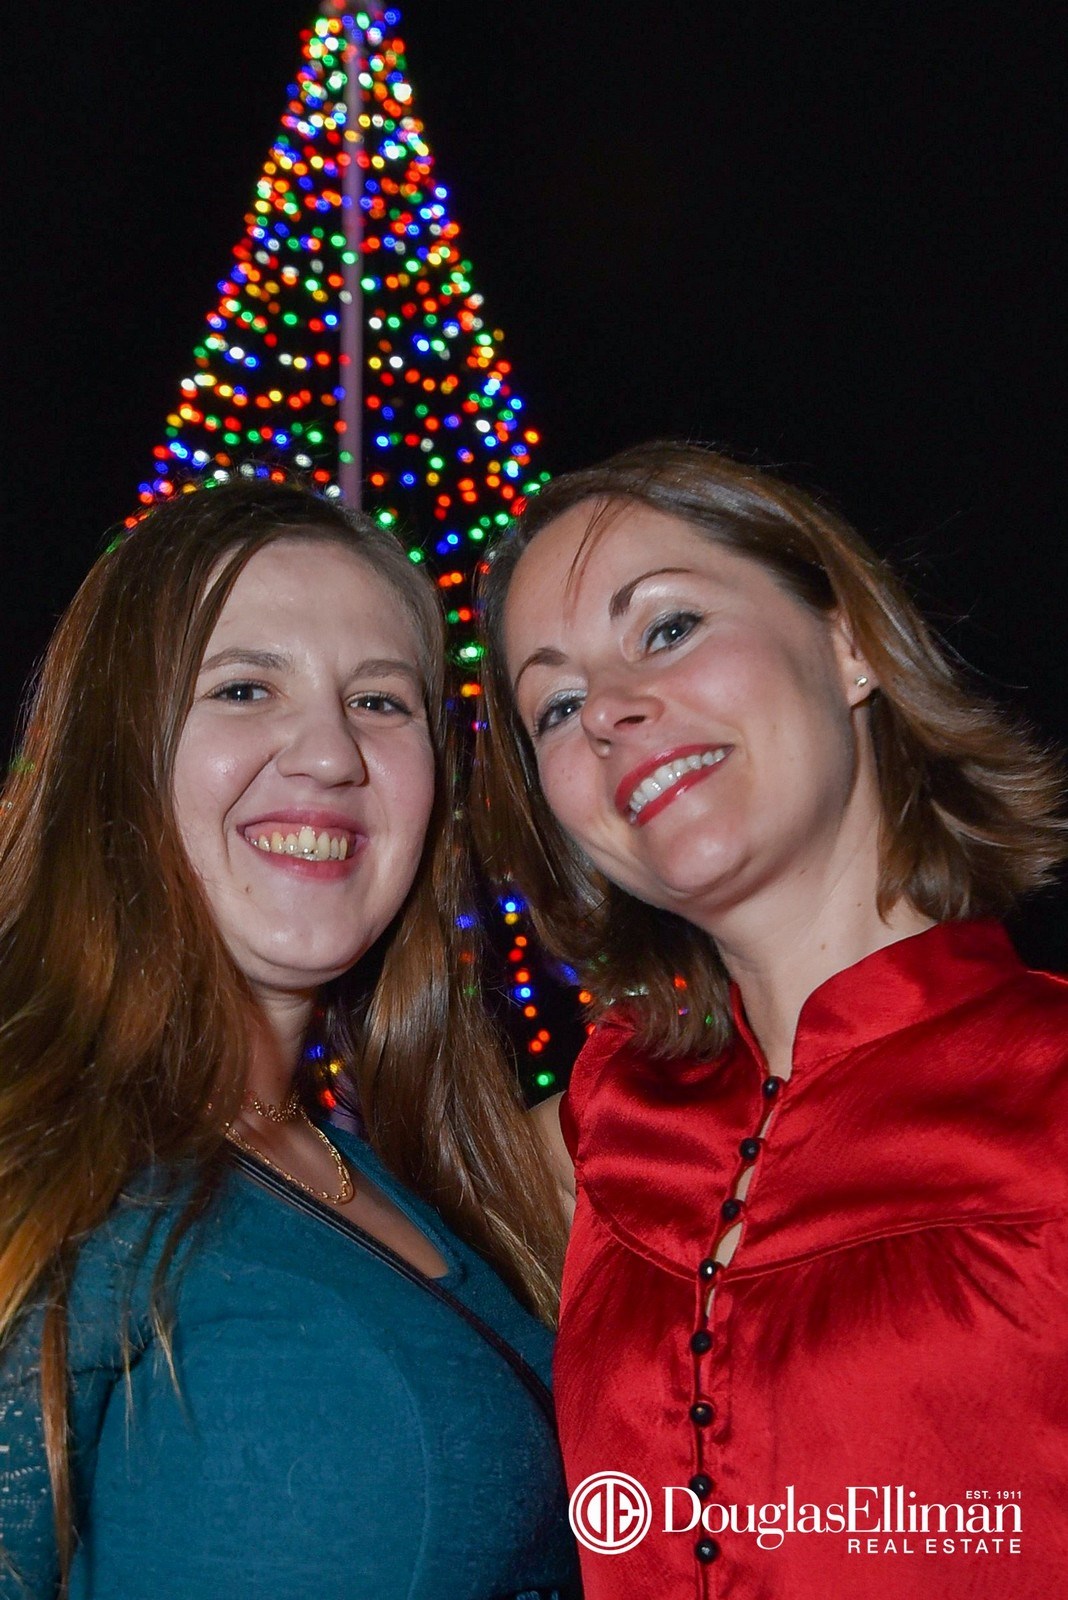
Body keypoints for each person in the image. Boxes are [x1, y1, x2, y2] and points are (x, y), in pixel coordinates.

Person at [475, 440, 1068, 1600]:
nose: (611, 712)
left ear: (850, 645)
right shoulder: (595, 1130)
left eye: (667, 627)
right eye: (557, 704)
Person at [0, 478, 578, 1600]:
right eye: (245, 687)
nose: (329, 754)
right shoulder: (41, 1153)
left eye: (380, 701)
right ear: (116, 749)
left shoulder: (428, 1182)